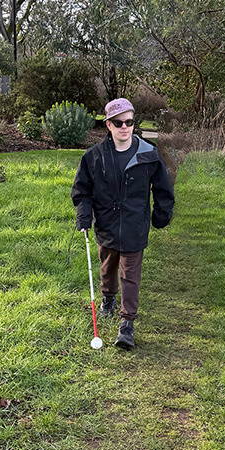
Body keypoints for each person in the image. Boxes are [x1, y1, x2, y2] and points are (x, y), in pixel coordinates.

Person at [71, 97, 175, 349]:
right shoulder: (94, 157)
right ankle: (108, 299)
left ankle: (127, 323)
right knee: (107, 269)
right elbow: (82, 191)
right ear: (108, 125)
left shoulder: (148, 154)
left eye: (129, 121)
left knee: (130, 275)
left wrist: (162, 214)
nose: (125, 127)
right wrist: (84, 215)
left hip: (134, 226)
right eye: (118, 122)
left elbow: (163, 188)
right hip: (106, 226)